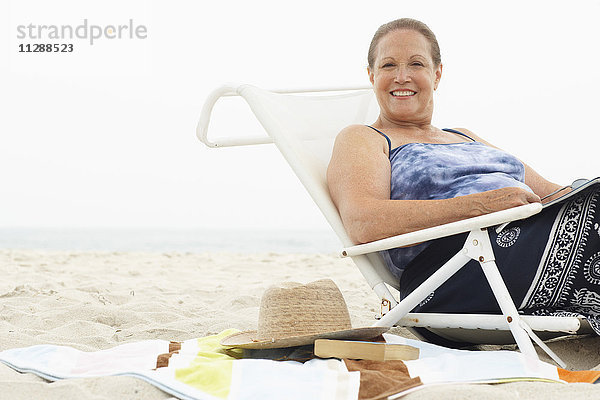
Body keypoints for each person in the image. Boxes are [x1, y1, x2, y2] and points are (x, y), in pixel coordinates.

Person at [327, 18, 600, 336]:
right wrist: (479, 206)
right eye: (389, 65)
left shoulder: (463, 135)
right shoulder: (364, 137)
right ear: (372, 76)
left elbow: (553, 194)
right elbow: (363, 224)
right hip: (450, 273)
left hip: (522, 247)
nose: (402, 76)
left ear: (437, 74)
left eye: (416, 63)